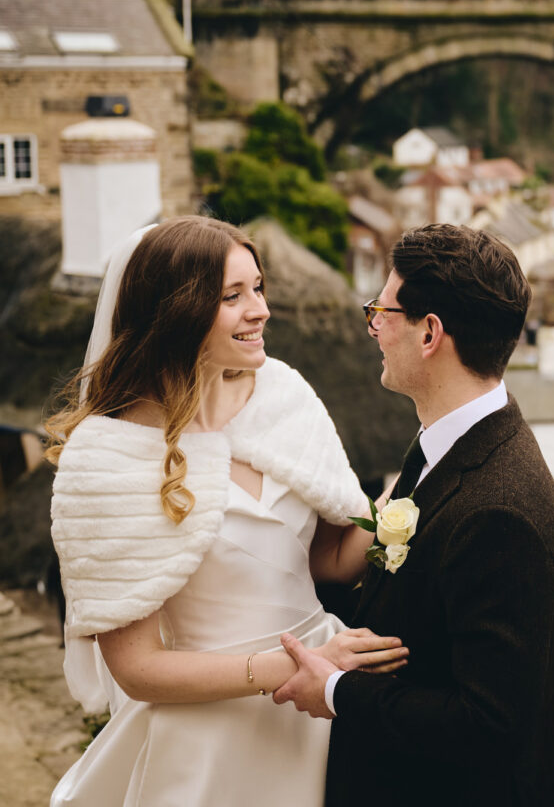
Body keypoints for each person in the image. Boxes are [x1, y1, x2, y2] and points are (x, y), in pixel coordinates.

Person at [47, 217, 407, 807]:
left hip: (325, 706)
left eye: (258, 288)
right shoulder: (110, 457)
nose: (260, 310)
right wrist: (293, 666)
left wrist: (406, 500)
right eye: (231, 296)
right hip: (210, 741)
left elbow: (331, 561)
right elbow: (137, 669)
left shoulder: (284, 395)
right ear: (175, 312)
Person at [274, 223, 554, 807]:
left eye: (382, 311)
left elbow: (489, 725)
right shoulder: (446, 446)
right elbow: (421, 615)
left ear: (429, 333)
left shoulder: (500, 512)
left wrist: (338, 691)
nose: (372, 326)